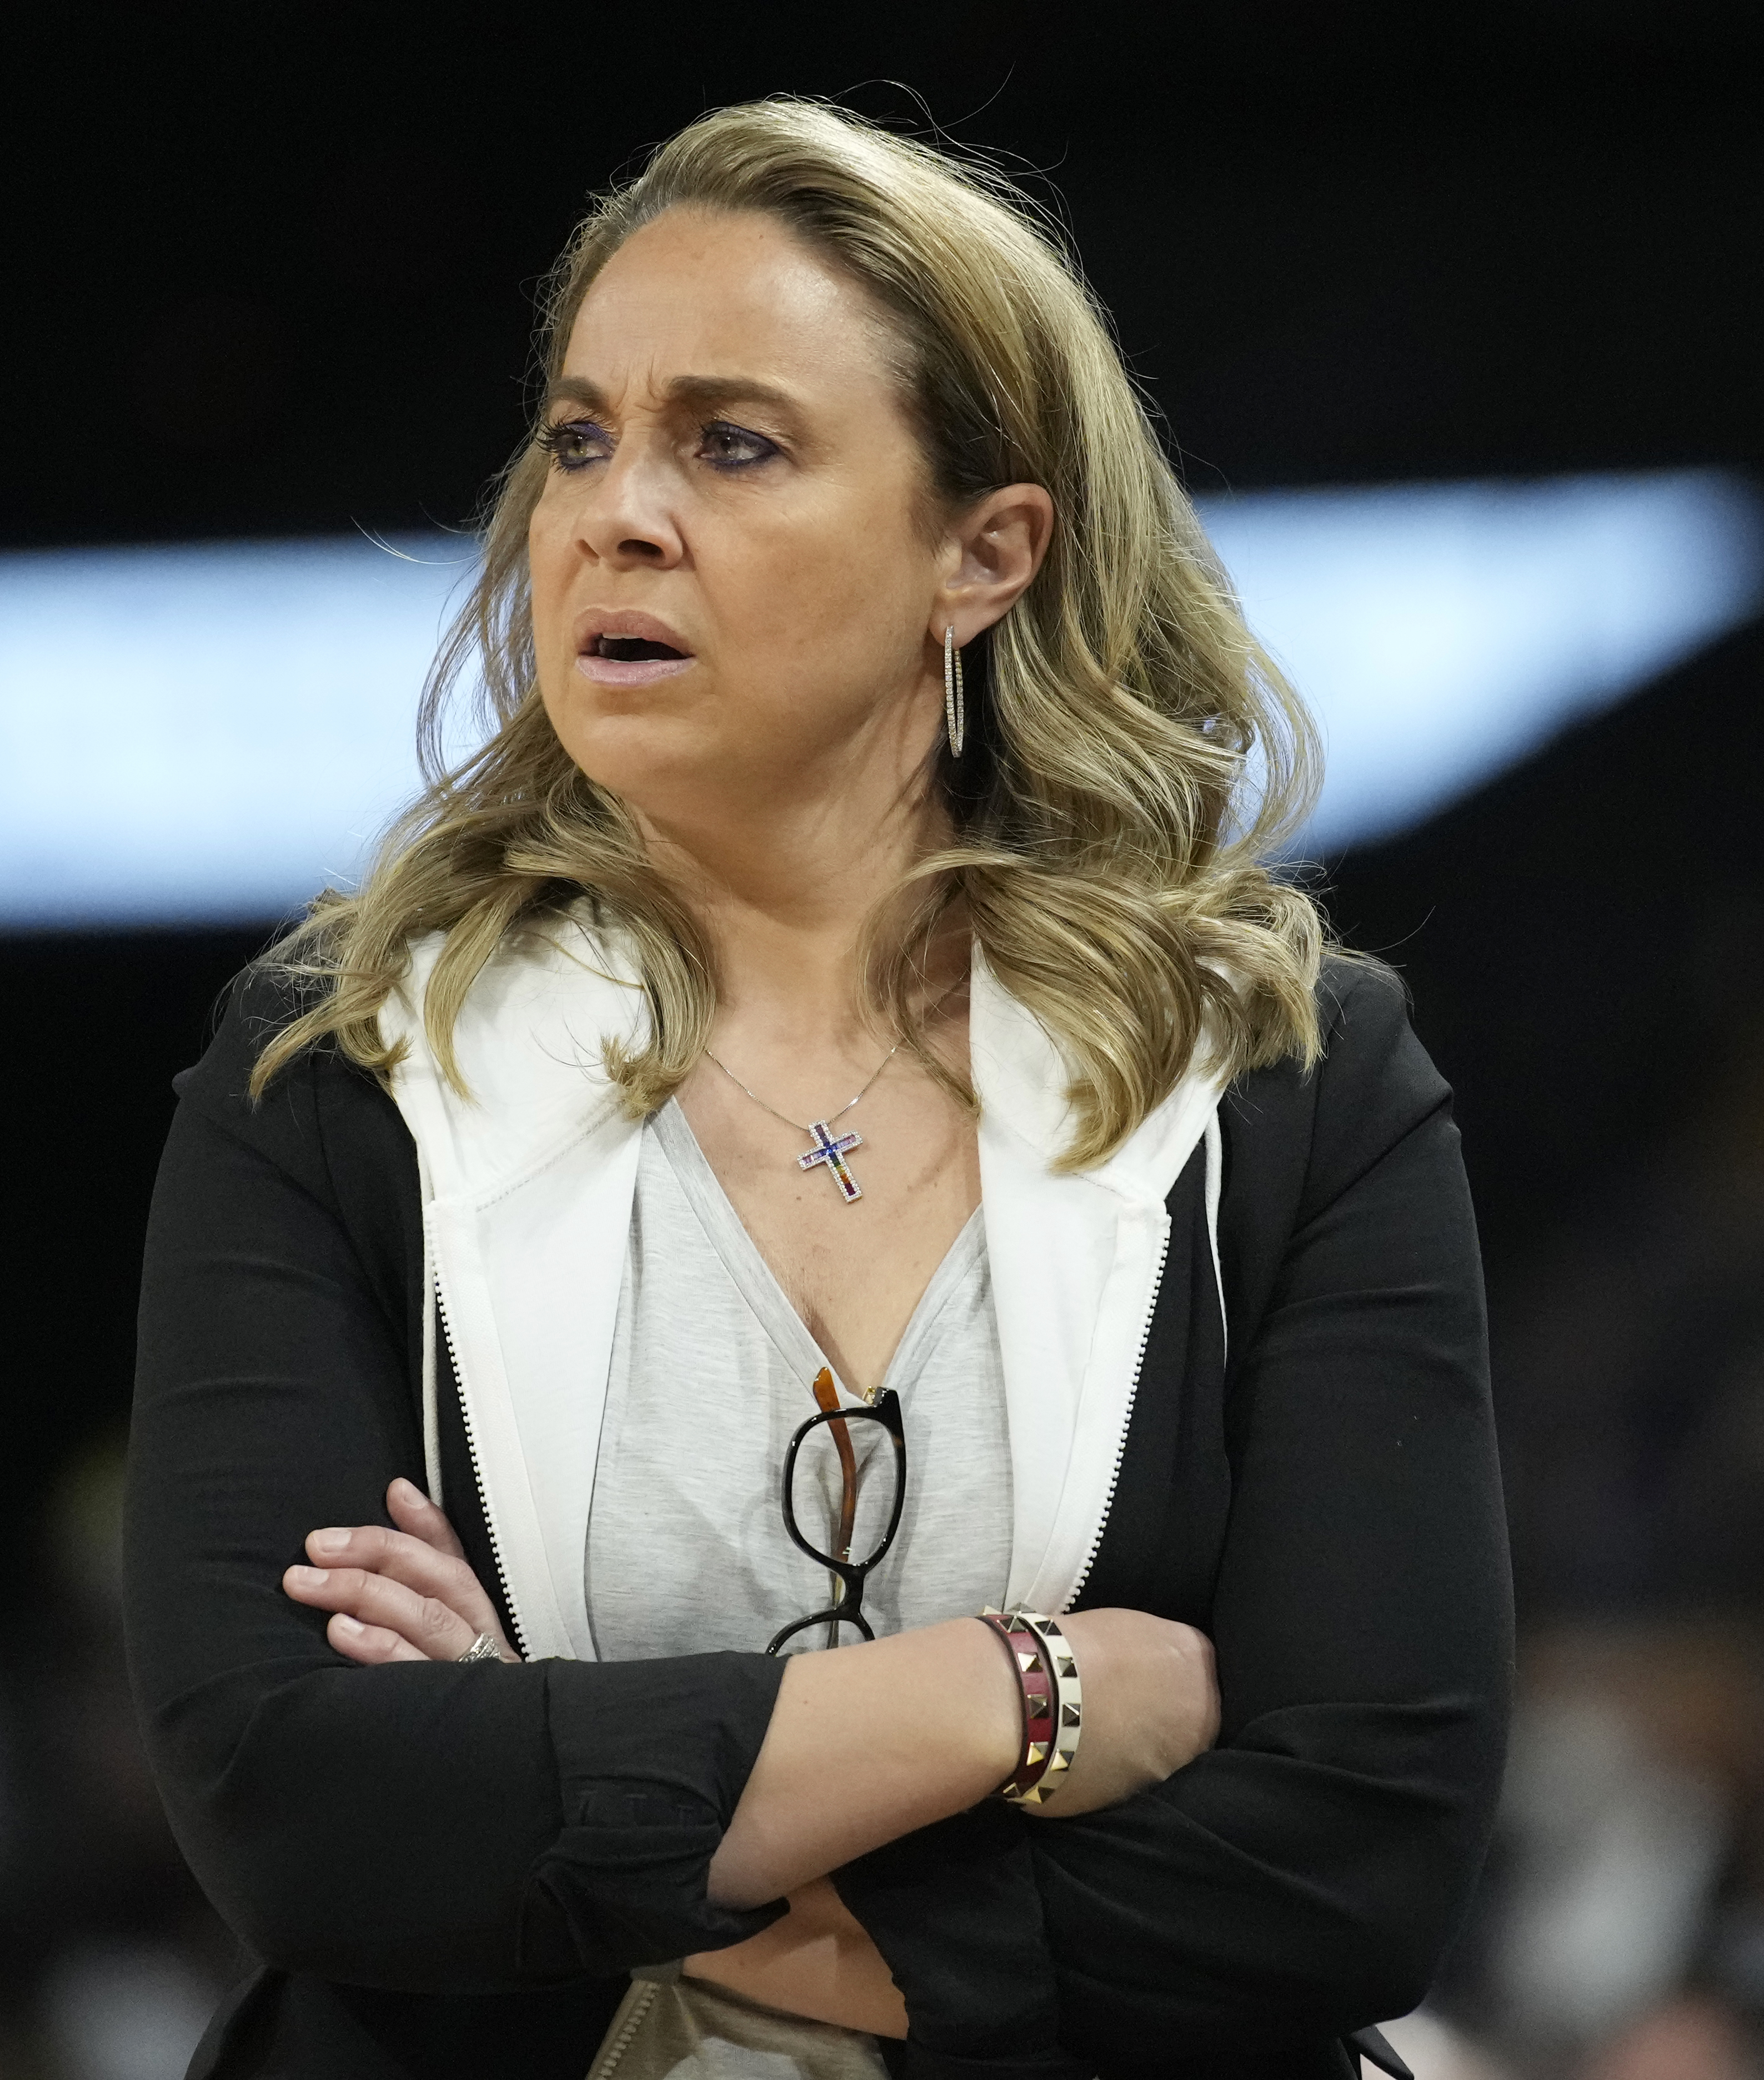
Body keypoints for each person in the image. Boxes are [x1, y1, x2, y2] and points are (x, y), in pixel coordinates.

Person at [124, 97, 1510, 2080]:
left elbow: (1360, 1856)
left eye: (733, 444)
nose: (613, 514)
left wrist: (566, 1798)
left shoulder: (1283, 1083)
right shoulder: (337, 1073)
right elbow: (302, 1806)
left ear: (983, 554)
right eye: (580, 437)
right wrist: (1018, 1699)